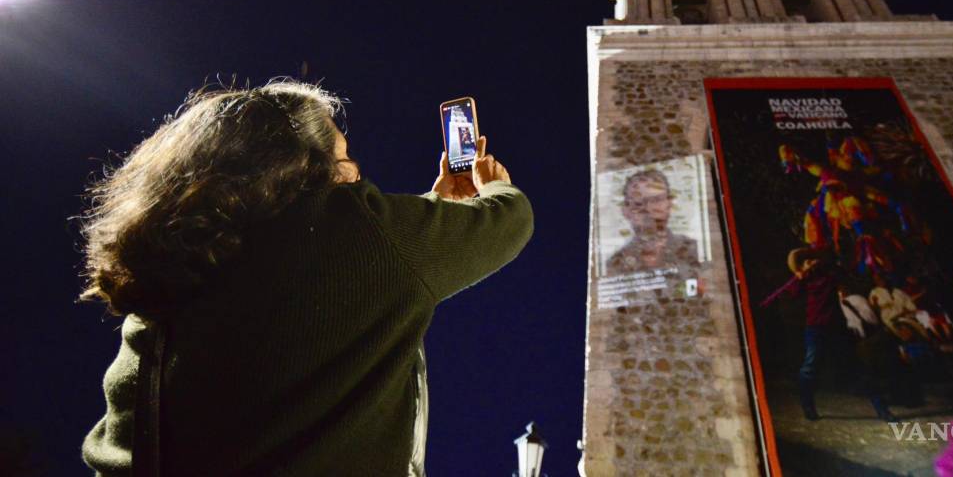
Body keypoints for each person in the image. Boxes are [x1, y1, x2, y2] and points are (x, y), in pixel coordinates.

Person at [78, 80, 534, 476]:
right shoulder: (359, 231)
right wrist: (494, 186)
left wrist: (423, 215)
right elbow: (507, 223)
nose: (354, 170)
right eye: (342, 155)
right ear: (303, 166)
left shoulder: (185, 250)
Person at [605, 169, 697, 276]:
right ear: (626, 210)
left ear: (669, 203)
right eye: (638, 203)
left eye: (657, 200)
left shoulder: (695, 250)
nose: (648, 209)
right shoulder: (614, 265)